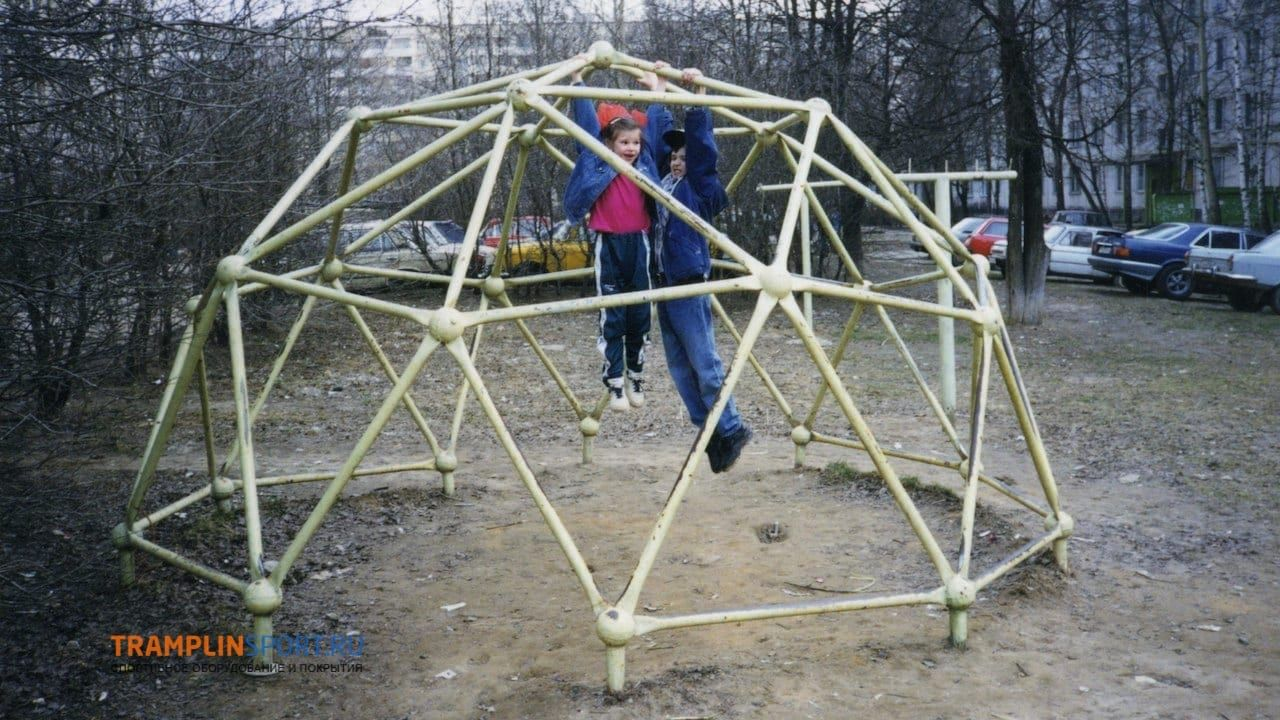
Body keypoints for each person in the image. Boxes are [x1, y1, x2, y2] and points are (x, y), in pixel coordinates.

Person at [653, 68, 752, 473]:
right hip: (664, 285)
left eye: (684, 158)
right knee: (680, 367)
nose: (678, 162)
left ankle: (731, 427)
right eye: (675, 158)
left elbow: (703, 150)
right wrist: (659, 95)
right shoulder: (663, 183)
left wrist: (698, 98)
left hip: (689, 283)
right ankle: (710, 431)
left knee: (704, 363)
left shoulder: (699, 189)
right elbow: (655, 145)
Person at [564, 59, 674, 412]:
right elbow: (584, 125)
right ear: (608, 144)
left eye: (634, 143)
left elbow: (655, 129)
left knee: (640, 312)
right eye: (623, 142)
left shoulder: (645, 163)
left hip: (638, 243)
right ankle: (614, 381)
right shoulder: (597, 159)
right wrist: (577, 81)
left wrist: (659, 90)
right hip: (608, 244)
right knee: (612, 315)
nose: (630, 148)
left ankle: (636, 375)